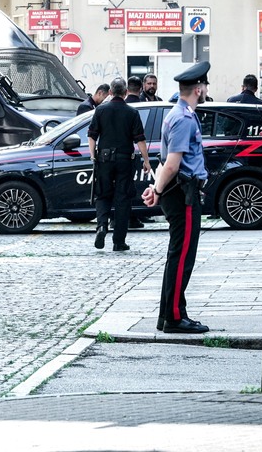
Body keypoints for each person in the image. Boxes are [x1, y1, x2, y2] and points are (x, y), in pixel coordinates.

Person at [141, 61, 211, 334]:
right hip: (183, 193)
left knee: (178, 255)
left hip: (179, 190)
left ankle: (170, 314)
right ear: (198, 88)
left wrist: (156, 189)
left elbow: (165, 161)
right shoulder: (182, 118)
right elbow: (172, 163)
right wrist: (157, 191)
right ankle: (173, 317)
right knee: (182, 256)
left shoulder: (179, 114)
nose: (206, 90)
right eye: (204, 86)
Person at [88, 78, 151, 251]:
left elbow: (92, 135)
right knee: (123, 198)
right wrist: (146, 161)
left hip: (104, 159)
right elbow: (140, 139)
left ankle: (101, 226)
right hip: (125, 159)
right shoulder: (132, 112)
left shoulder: (100, 110)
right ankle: (119, 241)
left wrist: (93, 155)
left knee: (102, 194)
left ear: (110, 92)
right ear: (125, 93)